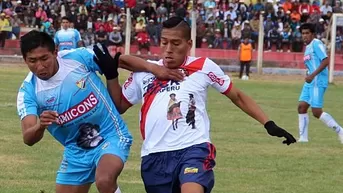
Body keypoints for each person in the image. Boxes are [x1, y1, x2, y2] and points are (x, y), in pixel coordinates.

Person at [92, 17, 296, 193]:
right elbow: (118, 106)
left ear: (189, 44)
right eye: (164, 43)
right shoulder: (144, 74)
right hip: (154, 156)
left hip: (193, 149)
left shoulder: (203, 67)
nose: (169, 50)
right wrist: (112, 76)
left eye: (176, 43)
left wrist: (268, 123)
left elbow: (237, 96)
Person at [16, 31, 183, 193]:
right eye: (32, 61)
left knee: (104, 180)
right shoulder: (28, 91)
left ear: (55, 52)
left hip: (110, 135)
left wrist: (154, 68)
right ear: (25, 60)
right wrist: (40, 126)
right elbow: (28, 137)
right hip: (76, 151)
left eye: (44, 58)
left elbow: (120, 61)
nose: (40, 66)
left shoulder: (77, 58)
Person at [298, 23, 343, 143]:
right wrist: (308, 73)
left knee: (316, 112)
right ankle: (303, 138)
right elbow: (312, 64)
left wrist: (312, 75)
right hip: (310, 81)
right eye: (303, 33)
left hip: (318, 81)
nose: (305, 36)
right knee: (302, 107)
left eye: (307, 33)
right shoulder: (307, 48)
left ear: (313, 34)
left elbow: (325, 61)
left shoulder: (316, 44)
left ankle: (340, 131)